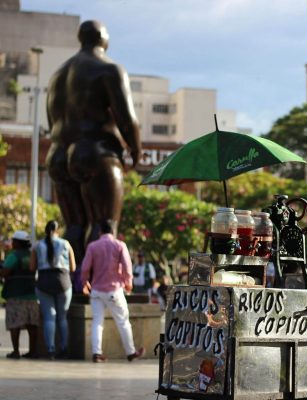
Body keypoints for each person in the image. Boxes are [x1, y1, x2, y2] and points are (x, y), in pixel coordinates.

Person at [46, 20, 141, 265]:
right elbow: (127, 120)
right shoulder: (109, 69)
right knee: (104, 225)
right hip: (95, 150)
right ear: (102, 38)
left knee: (75, 225)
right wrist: (135, 150)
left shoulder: (57, 76)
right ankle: (99, 282)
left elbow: (51, 123)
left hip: (58, 154)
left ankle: (73, 280)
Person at [81, 220, 145, 363]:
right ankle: (130, 352)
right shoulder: (120, 245)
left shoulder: (92, 246)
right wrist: (128, 282)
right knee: (123, 321)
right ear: (113, 231)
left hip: (96, 291)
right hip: (113, 290)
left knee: (97, 321)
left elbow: (85, 267)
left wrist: (85, 282)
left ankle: (97, 353)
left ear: (100, 232)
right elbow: (127, 267)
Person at [30, 220, 76, 359]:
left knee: (49, 318)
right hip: (63, 282)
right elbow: (73, 268)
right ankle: (64, 348)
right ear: (58, 230)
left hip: (44, 282)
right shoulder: (66, 244)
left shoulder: (37, 245)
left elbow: (32, 267)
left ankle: (50, 349)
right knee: (62, 318)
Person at [0, 230, 40, 359]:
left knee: (14, 324)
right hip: (32, 294)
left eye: (13, 241)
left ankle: (16, 351)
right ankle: (33, 351)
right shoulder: (32, 254)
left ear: (17, 243)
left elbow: (5, 272)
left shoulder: (14, 255)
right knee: (32, 324)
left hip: (16, 294)